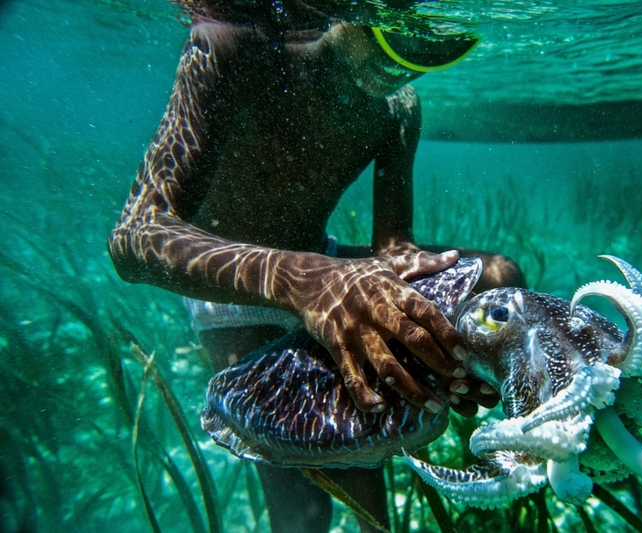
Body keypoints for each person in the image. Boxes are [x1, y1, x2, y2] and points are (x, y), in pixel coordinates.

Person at [108, 1, 525, 531]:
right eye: (390, 41)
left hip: (332, 271)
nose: (403, 66)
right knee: (307, 513)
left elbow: (393, 245)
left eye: (432, 50)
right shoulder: (234, 47)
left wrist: (425, 305)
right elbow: (135, 233)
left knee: (498, 280)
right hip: (236, 295)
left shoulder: (397, 107)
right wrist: (309, 281)